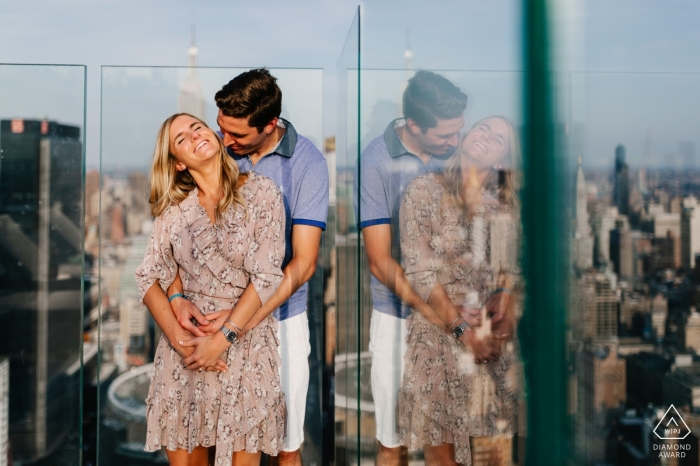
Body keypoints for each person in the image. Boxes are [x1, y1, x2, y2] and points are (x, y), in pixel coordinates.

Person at [167, 69, 329, 466]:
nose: (225, 141)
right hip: (206, 321)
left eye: (236, 135)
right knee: (202, 438)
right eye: (220, 128)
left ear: (270, 125)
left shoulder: (308, 164)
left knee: (286, 449)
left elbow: (303, 265)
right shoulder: (211, 151)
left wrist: (235, 327)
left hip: (280, 323)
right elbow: (170, 239)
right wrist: (176, 297)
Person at [135, 113, 286, 466]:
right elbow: (147, 278)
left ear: (216, 136)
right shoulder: (174, 213)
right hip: (186, 354)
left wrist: (223, 338)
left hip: (247, 346)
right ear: (178, 164)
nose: (194, 135)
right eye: (181, 139)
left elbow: (267, 276)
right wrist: (181, 339)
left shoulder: (262, 192)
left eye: (197, 127)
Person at [354, 70, 468, 465]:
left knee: (448, 443)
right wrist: (437, 316)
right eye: (445, 136)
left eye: (459, 133)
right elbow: (379, 259)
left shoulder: (459, 155)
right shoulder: (375, 160)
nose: (455, 143)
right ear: (414, 125)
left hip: (461, 312)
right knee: (392, 440)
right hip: (397, 318)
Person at [398, 116, 523, 466]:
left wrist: (506, 298)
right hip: (437, 339)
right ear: (467, 135)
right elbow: (418, 271)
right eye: (483, 127)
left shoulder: (503, 210)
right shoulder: (422, 190)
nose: (486, 135)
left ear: (501, 161)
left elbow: (510, 272)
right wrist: (460, 328)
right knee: (442, 458)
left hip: (487, 344)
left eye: (498, 138)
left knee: (491, 455)